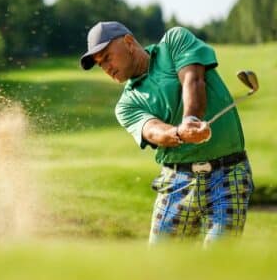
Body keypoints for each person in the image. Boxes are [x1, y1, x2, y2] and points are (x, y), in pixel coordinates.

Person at [80, 21, 254, 246]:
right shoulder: (126, 105)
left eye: (107, 57)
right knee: (161, 269)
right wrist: (179, 133)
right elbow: (152, 130)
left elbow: (193, 79)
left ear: (129, 42)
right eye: (99, 64)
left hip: (228, 175)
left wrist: (191, 119)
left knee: (218, 261)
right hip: (176, 181)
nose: (105, 68)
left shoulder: (174, 42)